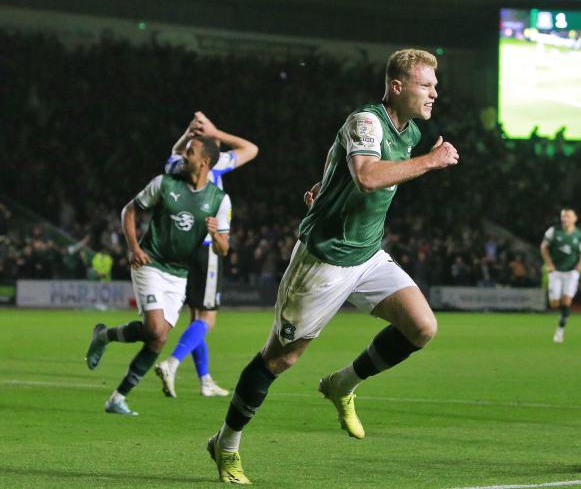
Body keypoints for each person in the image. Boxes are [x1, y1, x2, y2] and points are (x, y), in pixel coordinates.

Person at [207, 49, 458, 485]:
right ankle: (225, 444)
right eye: (426, 85)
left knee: (422, 327)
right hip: (323, 261)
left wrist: (325, 186)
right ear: (397, 86)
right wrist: (432, 162)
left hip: (367, 256)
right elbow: (365, 175)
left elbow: (346, 169)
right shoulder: (366, 121)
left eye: (435, 85)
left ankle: (341, 384)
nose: (435, 92)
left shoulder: (411, 131)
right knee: (280, 360)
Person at [84, 135, 231, 416]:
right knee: (154, 329)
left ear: (206, 162)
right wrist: (134, 247)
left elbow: (224, 248)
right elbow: (130, 210)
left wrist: (216, 235)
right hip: (150, 263)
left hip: (179, 274)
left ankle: (116, 392)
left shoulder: (219, 200)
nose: (184, 155)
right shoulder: (164, 184)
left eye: (190, 151)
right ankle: (105, 341)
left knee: (158, 338)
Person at [154, 112, 258, 398]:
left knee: (195, 317)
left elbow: (175, 153)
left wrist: (190, 133)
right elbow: (252, 149)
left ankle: (205, 380)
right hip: (205, 247)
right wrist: (217, 131)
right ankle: (172, 363)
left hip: (181, 246)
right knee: (207, 319)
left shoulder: (176, 166)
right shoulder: (214, 166)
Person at [540, 208, 581, 343]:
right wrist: (549, 263)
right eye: (563, 216)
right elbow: (543, 247)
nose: (565, 219)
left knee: (567, 301)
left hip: (571, 271)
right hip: (556, 271)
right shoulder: (553, 231)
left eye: (568, 216)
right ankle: (563, 314)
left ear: (575, 219)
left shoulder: (580, 235)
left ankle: (560, 330)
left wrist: (580, 264)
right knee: (555, 303)